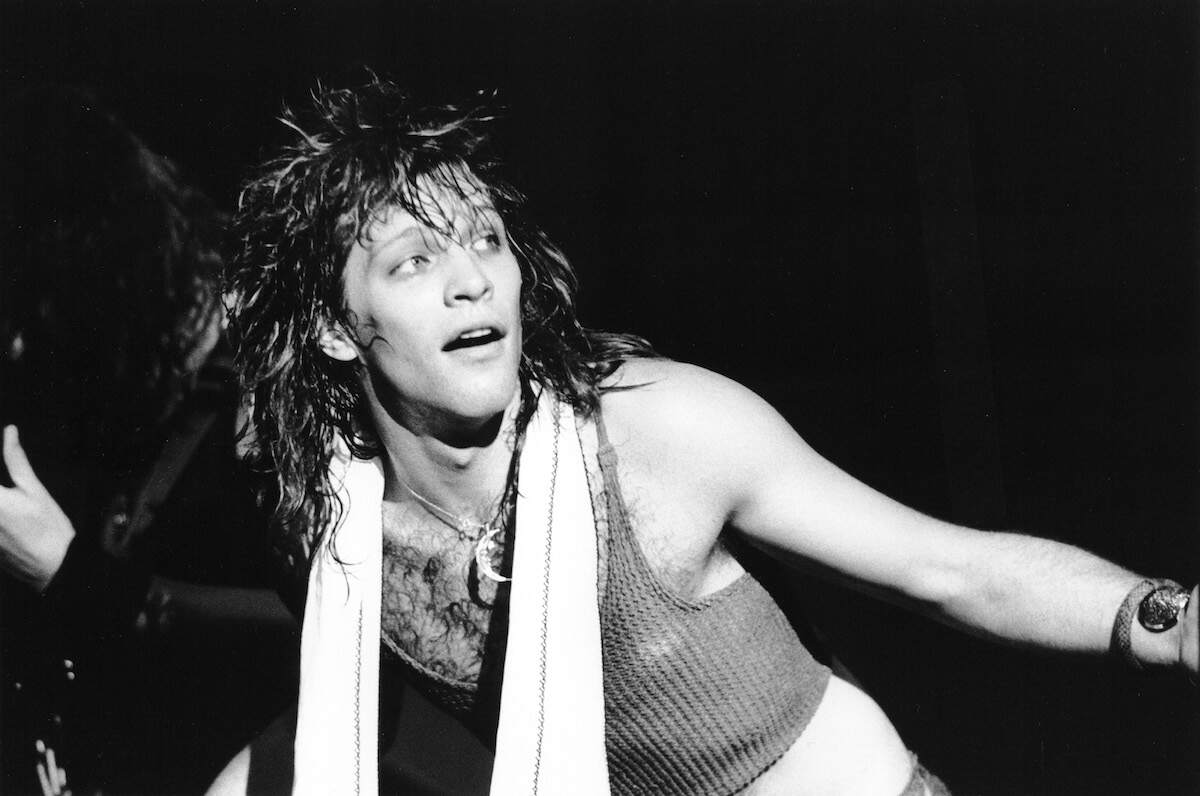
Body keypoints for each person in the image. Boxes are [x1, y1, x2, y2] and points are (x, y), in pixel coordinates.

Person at [218, 74, 1198, 795]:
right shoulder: (338, 532)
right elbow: (343, 718)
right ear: (336, 328)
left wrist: (1169, 620)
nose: (472, 279)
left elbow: (948, 570)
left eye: (485, 240)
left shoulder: (656, 431)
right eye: (414, 261)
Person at [0, 87, 295, 795]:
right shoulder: (121, 380)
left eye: (35, 313)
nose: (17, 346)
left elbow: (328, 628)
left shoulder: (281, 382)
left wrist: (68, 575)